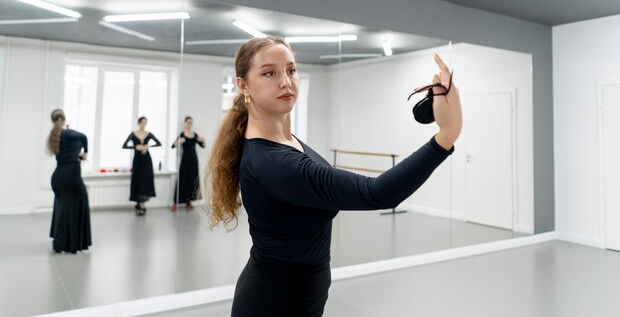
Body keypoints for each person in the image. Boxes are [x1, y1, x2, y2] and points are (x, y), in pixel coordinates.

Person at [204, 37, 462, 317]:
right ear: (243, 85)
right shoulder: (274, 162)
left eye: (291, 70)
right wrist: (446, 135)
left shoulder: (286, 141)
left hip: (301, 294)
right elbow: (376, 193)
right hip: (275, 302)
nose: (285, 82)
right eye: (269, 73)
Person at [47, 109, 92, 254]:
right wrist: (85, 153)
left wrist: (79, 156)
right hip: (71, 175)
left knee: (64, 207)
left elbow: (68, 154)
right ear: (63, 118)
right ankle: (73, 243)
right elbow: (84, 137)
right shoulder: (67, 133)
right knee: (80, 201)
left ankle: (60, 243)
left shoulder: (55, 135)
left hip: (59, 177)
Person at [122, 117, 162, 215]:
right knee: (137, 180)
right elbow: (124, 145)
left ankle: (142, 204)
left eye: (145, 123)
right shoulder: (133, 134)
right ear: (138, 123)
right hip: (137, 161)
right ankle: (138, 203)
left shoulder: (149, 134)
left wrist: (148, 146)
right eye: (142, 122)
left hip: (146, 160)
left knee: (145, 181)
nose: (143, 124)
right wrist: (135, 147)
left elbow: (159, 143)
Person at [170, 116, 205, 211]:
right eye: (188, 122)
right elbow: (172, 146)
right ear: (185, 123)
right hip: (185, 160)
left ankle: (189, 202)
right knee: (182, 180)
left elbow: (203, 146)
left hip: (194, 161)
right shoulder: (182, 134)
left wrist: (203, 141)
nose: (190, 124)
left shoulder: (194, 134)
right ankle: (175, 203)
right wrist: (178, 141)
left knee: (192, 180)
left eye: (191, 122)